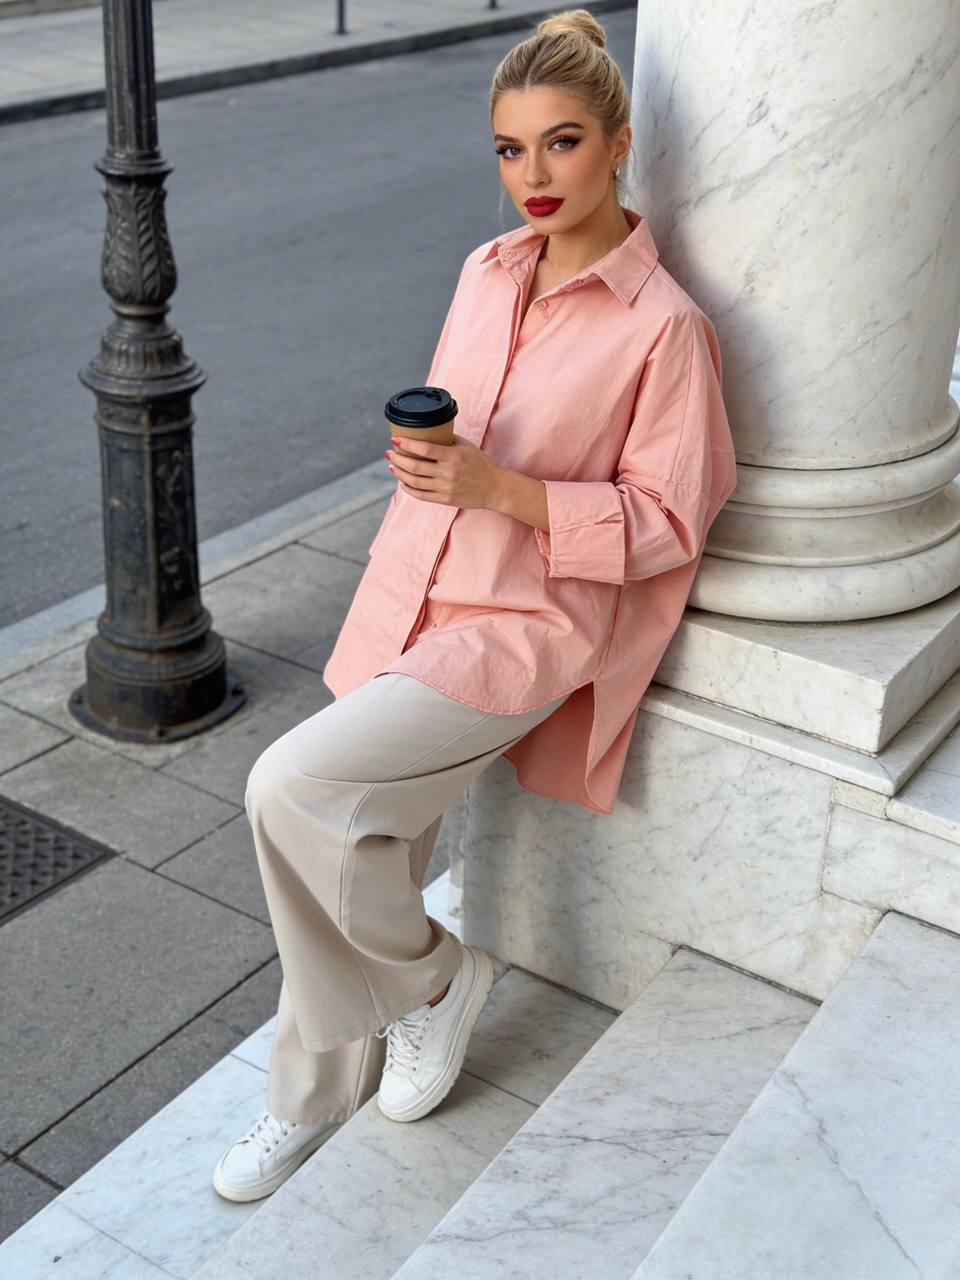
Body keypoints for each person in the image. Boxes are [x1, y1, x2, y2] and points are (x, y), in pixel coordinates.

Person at [212, 7, 739, 1202]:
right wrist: (437, 468)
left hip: (523, 627)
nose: (533, 175)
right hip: (413, 589)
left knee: (290, 788)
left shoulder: (666, 328)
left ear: (619, 144)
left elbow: (671, 518)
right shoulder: (484, 271)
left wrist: (507, 490)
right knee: (356, 844)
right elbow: (464, 430)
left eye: (562, 142)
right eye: (510, 148)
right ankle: (310, 1094)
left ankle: (439, 981)